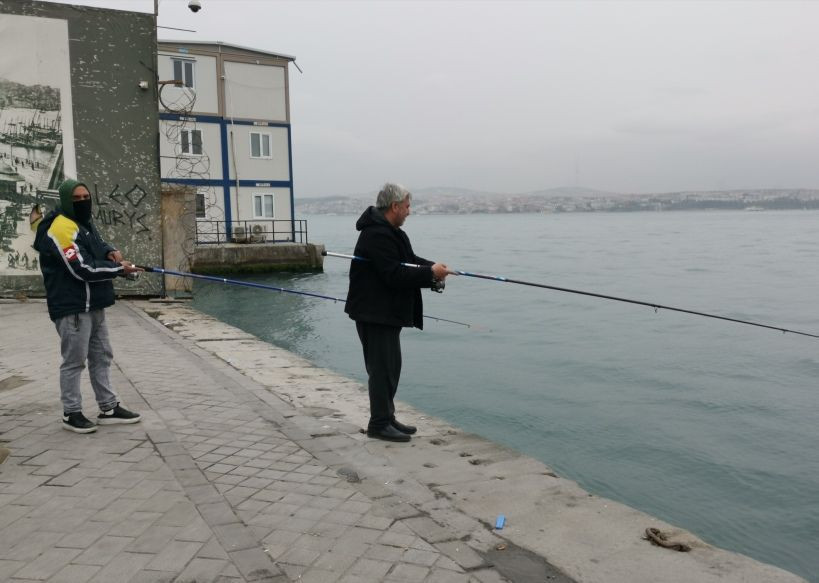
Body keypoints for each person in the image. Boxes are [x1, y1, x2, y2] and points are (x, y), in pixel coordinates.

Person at [33, 179, 143, 433]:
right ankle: (71, 413)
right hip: (73, 307)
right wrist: (119, 269)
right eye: (76, 199)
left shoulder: (82, 222)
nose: (83, 202)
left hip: (95, 303)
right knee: (74, 362)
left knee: (102, 356)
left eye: (86, 197)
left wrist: (110, 252)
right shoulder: (61, 227)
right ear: (65, 201)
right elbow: (81, 268)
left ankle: (109, 408)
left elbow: (96, 244)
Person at [345, 183, 449, 442]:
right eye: (407, 206)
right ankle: (378, 424)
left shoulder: (392, 233)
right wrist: (429, 273)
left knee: (391, 367)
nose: (409, 211)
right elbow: (393, 274)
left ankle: (387, 417)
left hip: (386, 313)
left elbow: (409, 260)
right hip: (373, 313)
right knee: (381, 370)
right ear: (394, 206)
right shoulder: (376, 235)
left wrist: (435, 269)